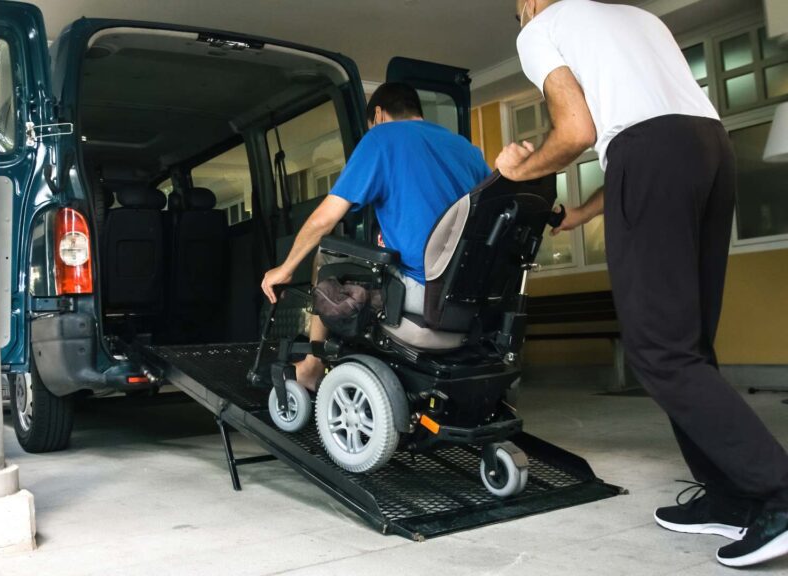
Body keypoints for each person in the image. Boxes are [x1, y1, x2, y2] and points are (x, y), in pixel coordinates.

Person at [498, 0, 788, 567]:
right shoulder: (639, 19)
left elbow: (578, 131)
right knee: (690, 347)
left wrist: (517, 170)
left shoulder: (540, 29)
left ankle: (779, 492)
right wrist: (580, 213)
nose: (520, 19)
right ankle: (731, 493)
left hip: (654, 157)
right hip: (711, 151)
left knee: (660, 351)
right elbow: (658, 132)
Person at [260, 82, 490, 390]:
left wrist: (285, 268)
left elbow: (325, 219)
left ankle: (313, 366)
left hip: (420, 292)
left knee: (326, 253)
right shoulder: (467, 149)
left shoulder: (381, 138)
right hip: (467, 298)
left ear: (379, 115)